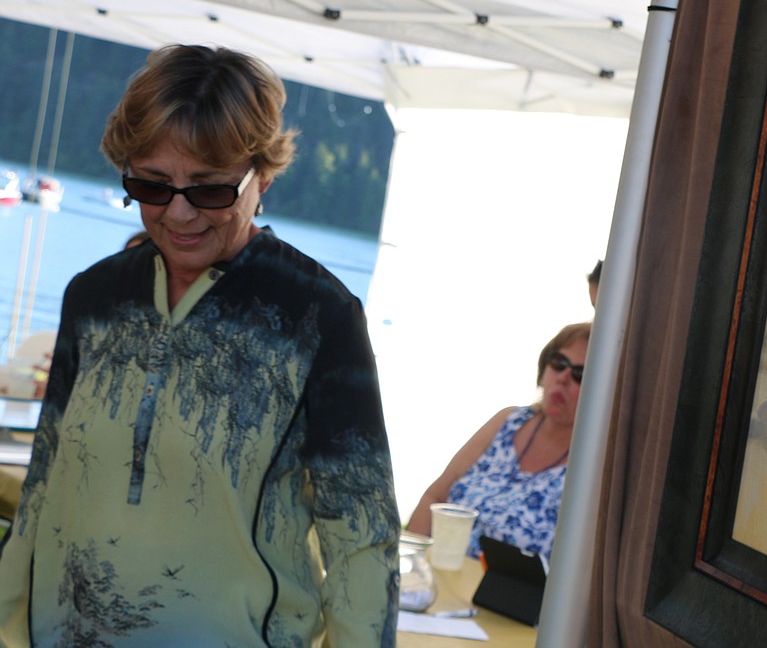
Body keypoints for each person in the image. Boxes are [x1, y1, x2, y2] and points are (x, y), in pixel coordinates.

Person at [0, 45, 399, 647]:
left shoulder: (319, 315)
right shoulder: (95, 296)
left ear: (261, 176)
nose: (179, 213)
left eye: (210, 189)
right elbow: (45, 483)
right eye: (152, 186)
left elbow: (361, 531)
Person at [406, 322, 590, 560]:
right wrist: (409, 569)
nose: (563, 378)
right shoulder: (509, 420)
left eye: (580, 374)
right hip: (437, 581)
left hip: (503, 596)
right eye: (559, 363)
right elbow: (434, 498)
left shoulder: (591, 463)